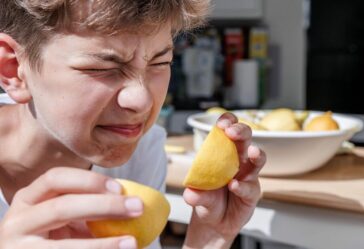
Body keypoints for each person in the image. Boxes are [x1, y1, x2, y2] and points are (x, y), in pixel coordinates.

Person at [0, 1, 266, 248]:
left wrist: (211, 236)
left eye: (161, 62)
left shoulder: (141, 150)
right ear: (12, 70)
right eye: (100, 68)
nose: (141, 101)